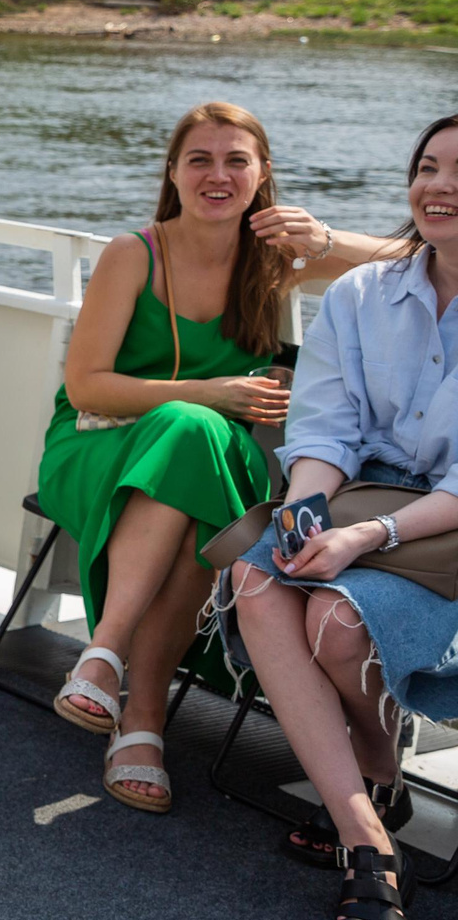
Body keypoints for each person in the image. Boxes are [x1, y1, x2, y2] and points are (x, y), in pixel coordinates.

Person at [37, 103, 379, 812]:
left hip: (213, 456)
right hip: (100, 446)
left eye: (235, 161)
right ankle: (141, 715)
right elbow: (87, 385)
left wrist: (324, 238)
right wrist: (210, 392)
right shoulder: (134, 253)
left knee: (197, 456)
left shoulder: (274, 261)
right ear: (173, 172)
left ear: (262, 175)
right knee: (194, 449)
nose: (216, 175)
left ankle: (104, 660)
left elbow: (421, 252)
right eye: (199, 159)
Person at [223, 113, 458, 920]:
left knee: (336, 619)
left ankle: (375, 782)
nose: (439, 186)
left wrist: (368, 534)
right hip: (358, 492)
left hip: (443, 519)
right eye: (427, 167)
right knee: (259, 578)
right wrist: (305, 509)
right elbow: (327, 425)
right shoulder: (361, 293)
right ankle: (369, 832)